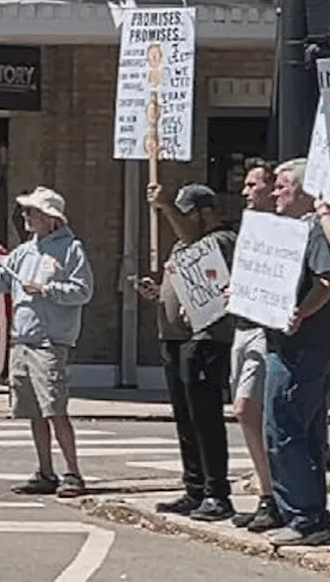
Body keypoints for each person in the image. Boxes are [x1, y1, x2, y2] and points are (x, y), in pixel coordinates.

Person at [0, 186, 93, 498]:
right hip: (21, 340)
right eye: (25, 211)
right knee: (33, 411)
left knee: (54, 408)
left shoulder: (71, 250)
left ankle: (73, 472)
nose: (25, 217)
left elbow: (84, 291)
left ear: (50, 218)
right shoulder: (23, 252)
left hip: (49, 342)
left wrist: (48, 291)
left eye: (31, 212)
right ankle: (45, 470)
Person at [138, 183, 236, 522]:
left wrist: (165, 205)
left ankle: (216, 492)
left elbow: (203, 259)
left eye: (184, 213)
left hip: (205, 338)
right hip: (176, 339)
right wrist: (158, 293)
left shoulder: (219, 241)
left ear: (204, 213)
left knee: (205, 417)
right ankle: (194, 487)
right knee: (184, 417)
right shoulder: (182, 245)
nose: (176, 220)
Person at [264, 158, 331, 547]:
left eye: (282, 185)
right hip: (293, 346)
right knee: (301, 432)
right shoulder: (289, 233)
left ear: (305, 192)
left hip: (301, 349)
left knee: (285, 429)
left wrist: (300, 313)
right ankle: (308, 514)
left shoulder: (311, 233)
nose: (275, 192)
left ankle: (305, 518)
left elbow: (326, 281)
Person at [227, 159, 280, 532]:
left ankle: (275, 494)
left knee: (249, 407)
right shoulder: (247, 229)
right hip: (242, 325)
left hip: (266, 329)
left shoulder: (286, 230)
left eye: (252, 185)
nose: (246, 192)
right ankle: (266, 491)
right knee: (242, 409)